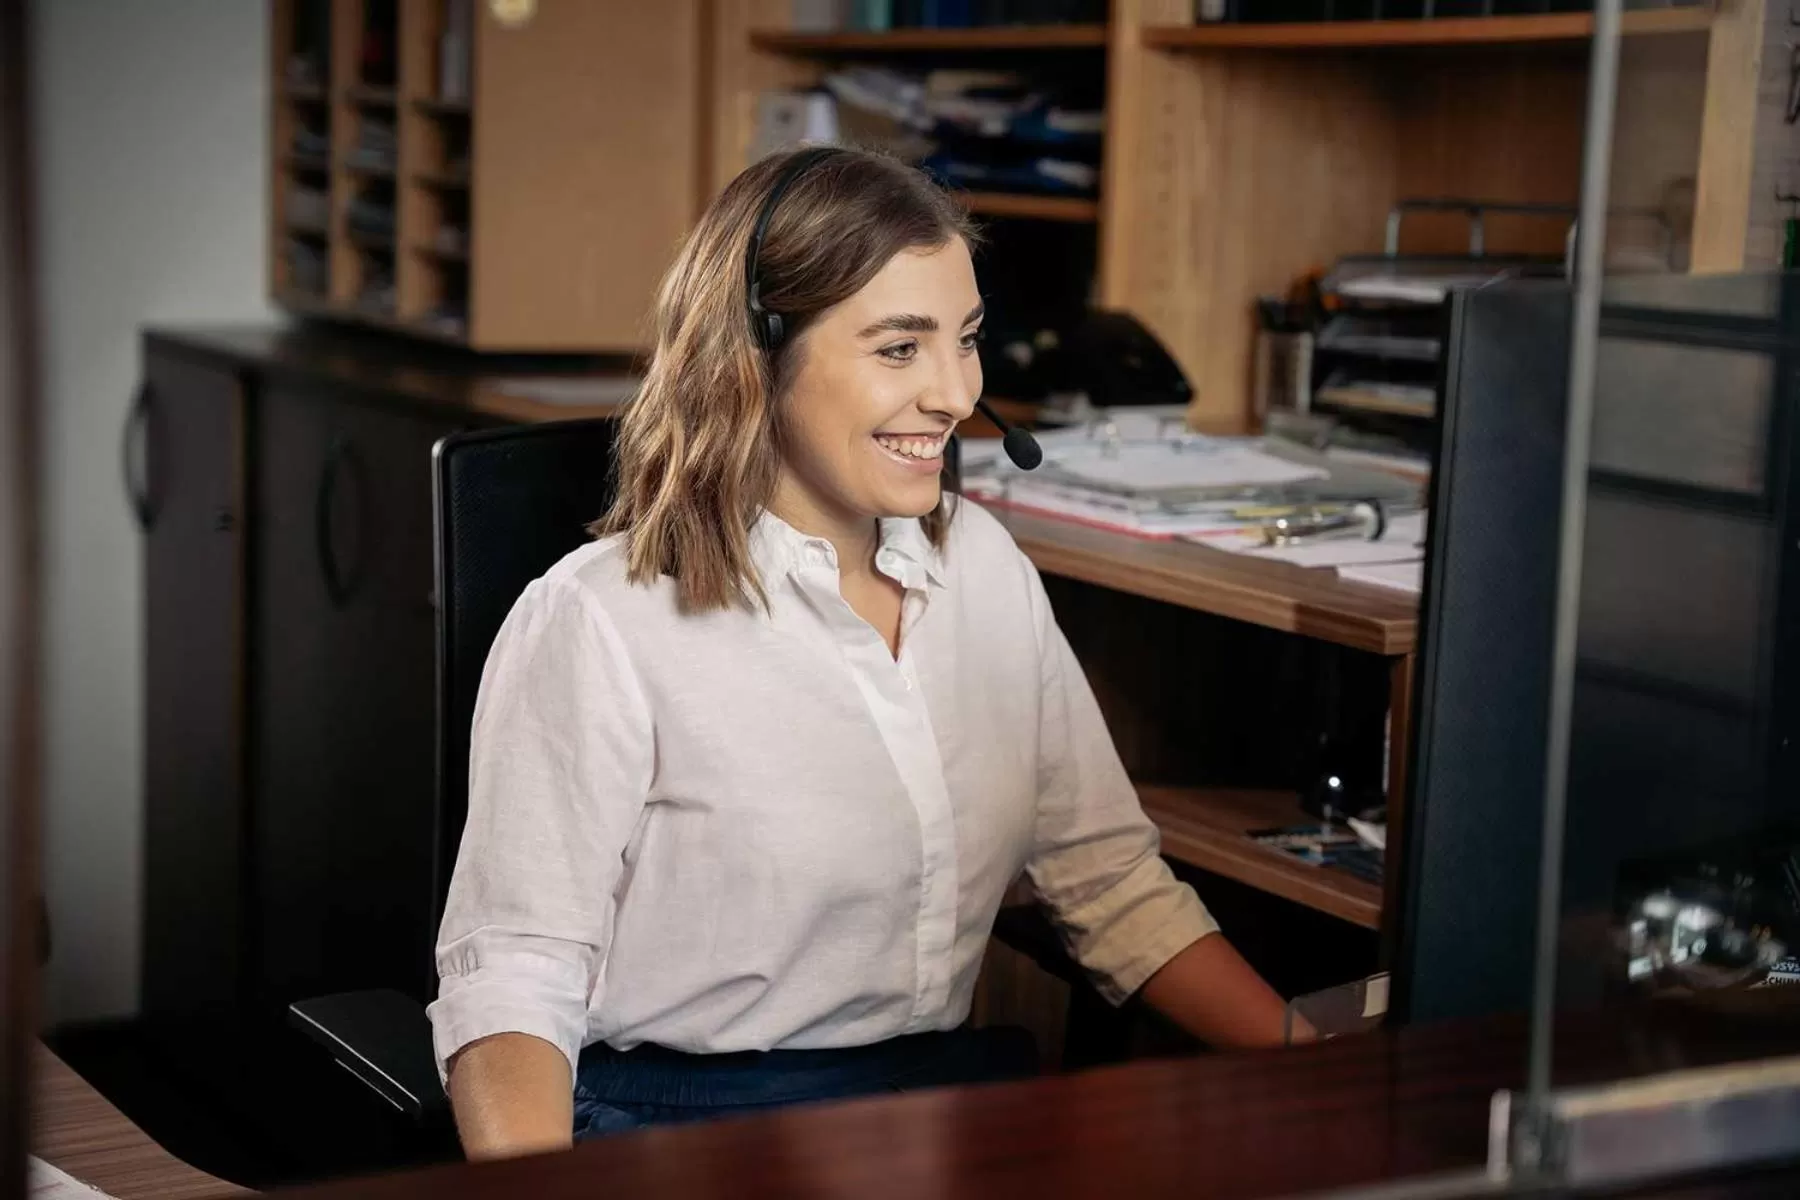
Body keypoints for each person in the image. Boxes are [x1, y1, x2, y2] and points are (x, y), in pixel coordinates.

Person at [428, 145, 1298, 1162]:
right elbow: (516, 976)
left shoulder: (983, 569)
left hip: (935, 1116)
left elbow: (1106, 882)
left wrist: (1318, 1060)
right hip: (685, 1134)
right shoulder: (602, 620)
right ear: (757, 354)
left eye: (966, 342)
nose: (955, 395)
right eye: (900, 349)